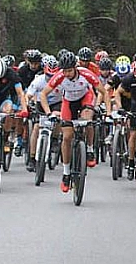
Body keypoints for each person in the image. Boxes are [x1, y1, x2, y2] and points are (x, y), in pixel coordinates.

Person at [40, 50, 110, 192]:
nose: (66, 74)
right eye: (64, 71)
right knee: (66, 137)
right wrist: (49, 113)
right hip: (69, 102)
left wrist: (108, 113)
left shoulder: (86, 74)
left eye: (69, 71)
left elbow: (104, 92)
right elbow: (43, 94)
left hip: (85, 98)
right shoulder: (59, 76)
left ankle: (89, 150)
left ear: (75, 68)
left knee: (87, 118)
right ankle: (66, 173)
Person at [25, 55, 62, 172]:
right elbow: (28, 95)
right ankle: (32, 158)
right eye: (48, 76)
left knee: (59, 117)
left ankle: (55, 138)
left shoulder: (61, 81)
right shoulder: (38, 80)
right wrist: (28, 104)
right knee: (36, 128)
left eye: (53, 76)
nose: (51, 78)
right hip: (41, 104)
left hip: (56, 103)